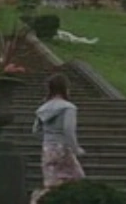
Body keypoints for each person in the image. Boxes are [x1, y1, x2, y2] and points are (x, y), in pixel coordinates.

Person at [29, 73, 85, 202]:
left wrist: (48, 140)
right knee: (77, 180)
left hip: (48, 148)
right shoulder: (68, 108)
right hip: (63, 148)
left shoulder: (42, 109)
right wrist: (75, 148)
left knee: (51, 183)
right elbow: (68, 130)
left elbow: (35, 130)